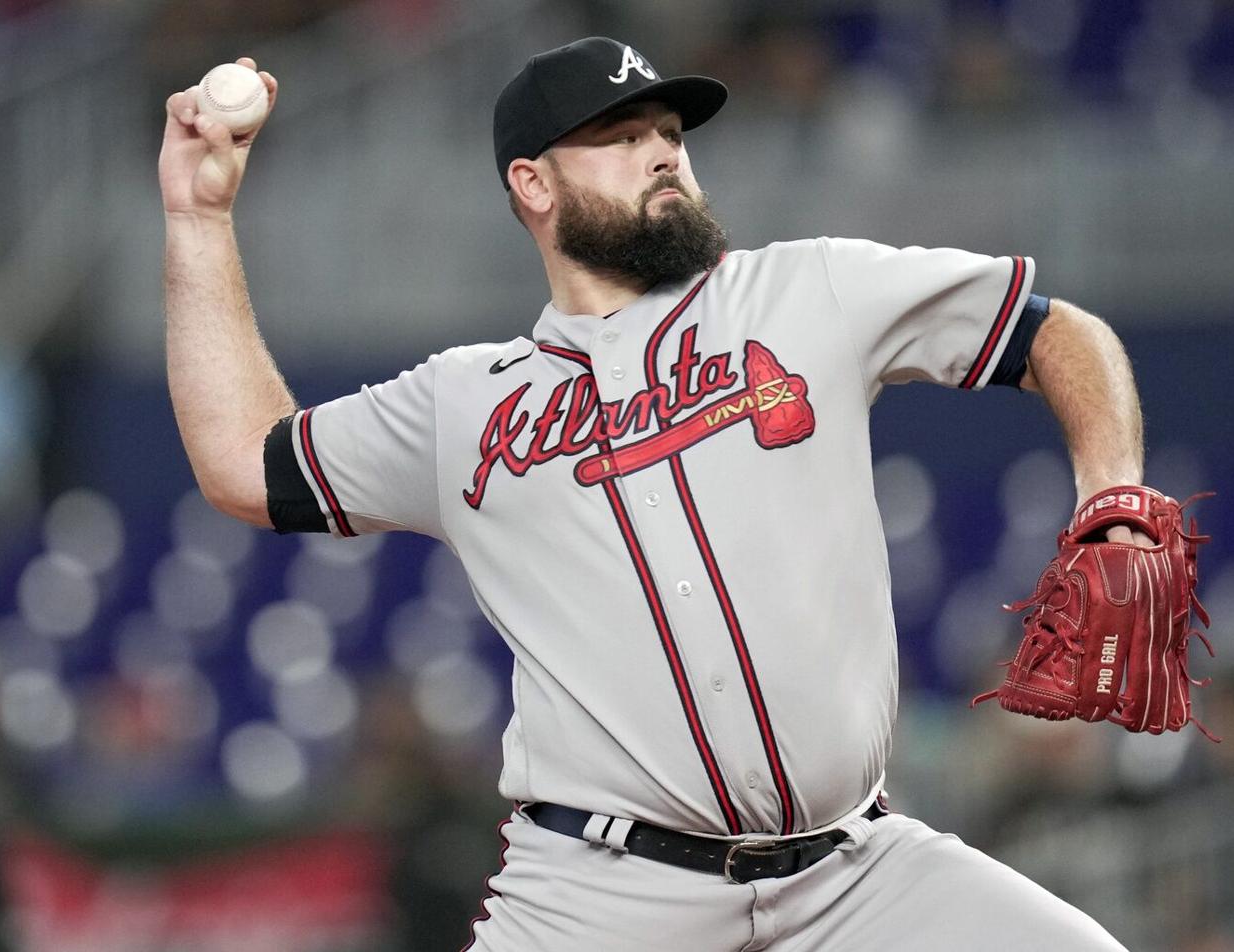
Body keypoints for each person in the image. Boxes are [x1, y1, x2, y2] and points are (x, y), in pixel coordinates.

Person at [160, 37, 1139, 951]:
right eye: (620, 137)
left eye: (669, 134)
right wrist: (197, 219)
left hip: (855, 875)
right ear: (531, 184)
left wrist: (1114, 498)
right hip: (602, 895)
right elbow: (245, 463)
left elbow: (1060, 335)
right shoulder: (463, 403)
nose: (661, 153)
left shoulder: (805, 293)